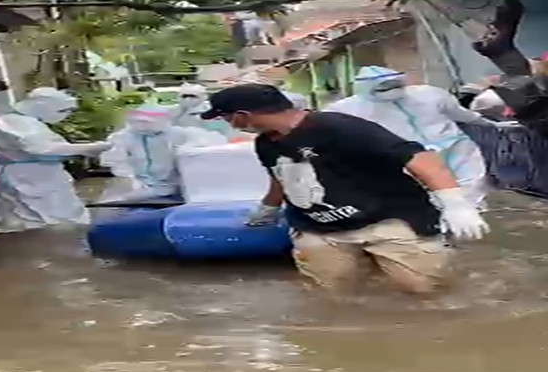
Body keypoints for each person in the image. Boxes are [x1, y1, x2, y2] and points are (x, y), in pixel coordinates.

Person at [201, 84, 490, 295]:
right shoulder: (265, 142)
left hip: (388, 220)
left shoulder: (339, 128)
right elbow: (281, 175)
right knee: (333, 296)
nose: (229, 125)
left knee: (427, 292)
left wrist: (455, 204)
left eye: (226, 118)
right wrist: (269, 208)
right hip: (317, 228)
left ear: (241, 115)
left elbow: (421, 158)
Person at [325, 66, 500, 210]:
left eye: (396, 85)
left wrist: (489, 124)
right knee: (426, 191)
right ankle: (440, 219)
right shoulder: (346, 109)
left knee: (472, 182)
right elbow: (328, 132)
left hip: (454, 146)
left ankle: (473, 211)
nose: (392, 90)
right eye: (384, 87)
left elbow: (460, 114)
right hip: (407, 155)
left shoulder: (429, 94)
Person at [0, 87, 112, 231]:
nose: (66, 115)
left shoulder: (28, 121)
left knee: (56, 210)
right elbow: (40, 148)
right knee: (41, 214)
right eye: (62, 111)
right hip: (29, 177)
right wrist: (89, 148)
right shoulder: (16, 122)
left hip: (40, 174)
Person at [99, 103, 227, 202]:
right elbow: (116, 159)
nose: (143, 126)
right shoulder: (126, 136)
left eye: (147, 122)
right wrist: (130, 180)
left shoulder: (180, 134)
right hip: (143, 188)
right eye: (139, 122)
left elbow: (213, 141)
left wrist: (189, 150)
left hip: (179, 187)